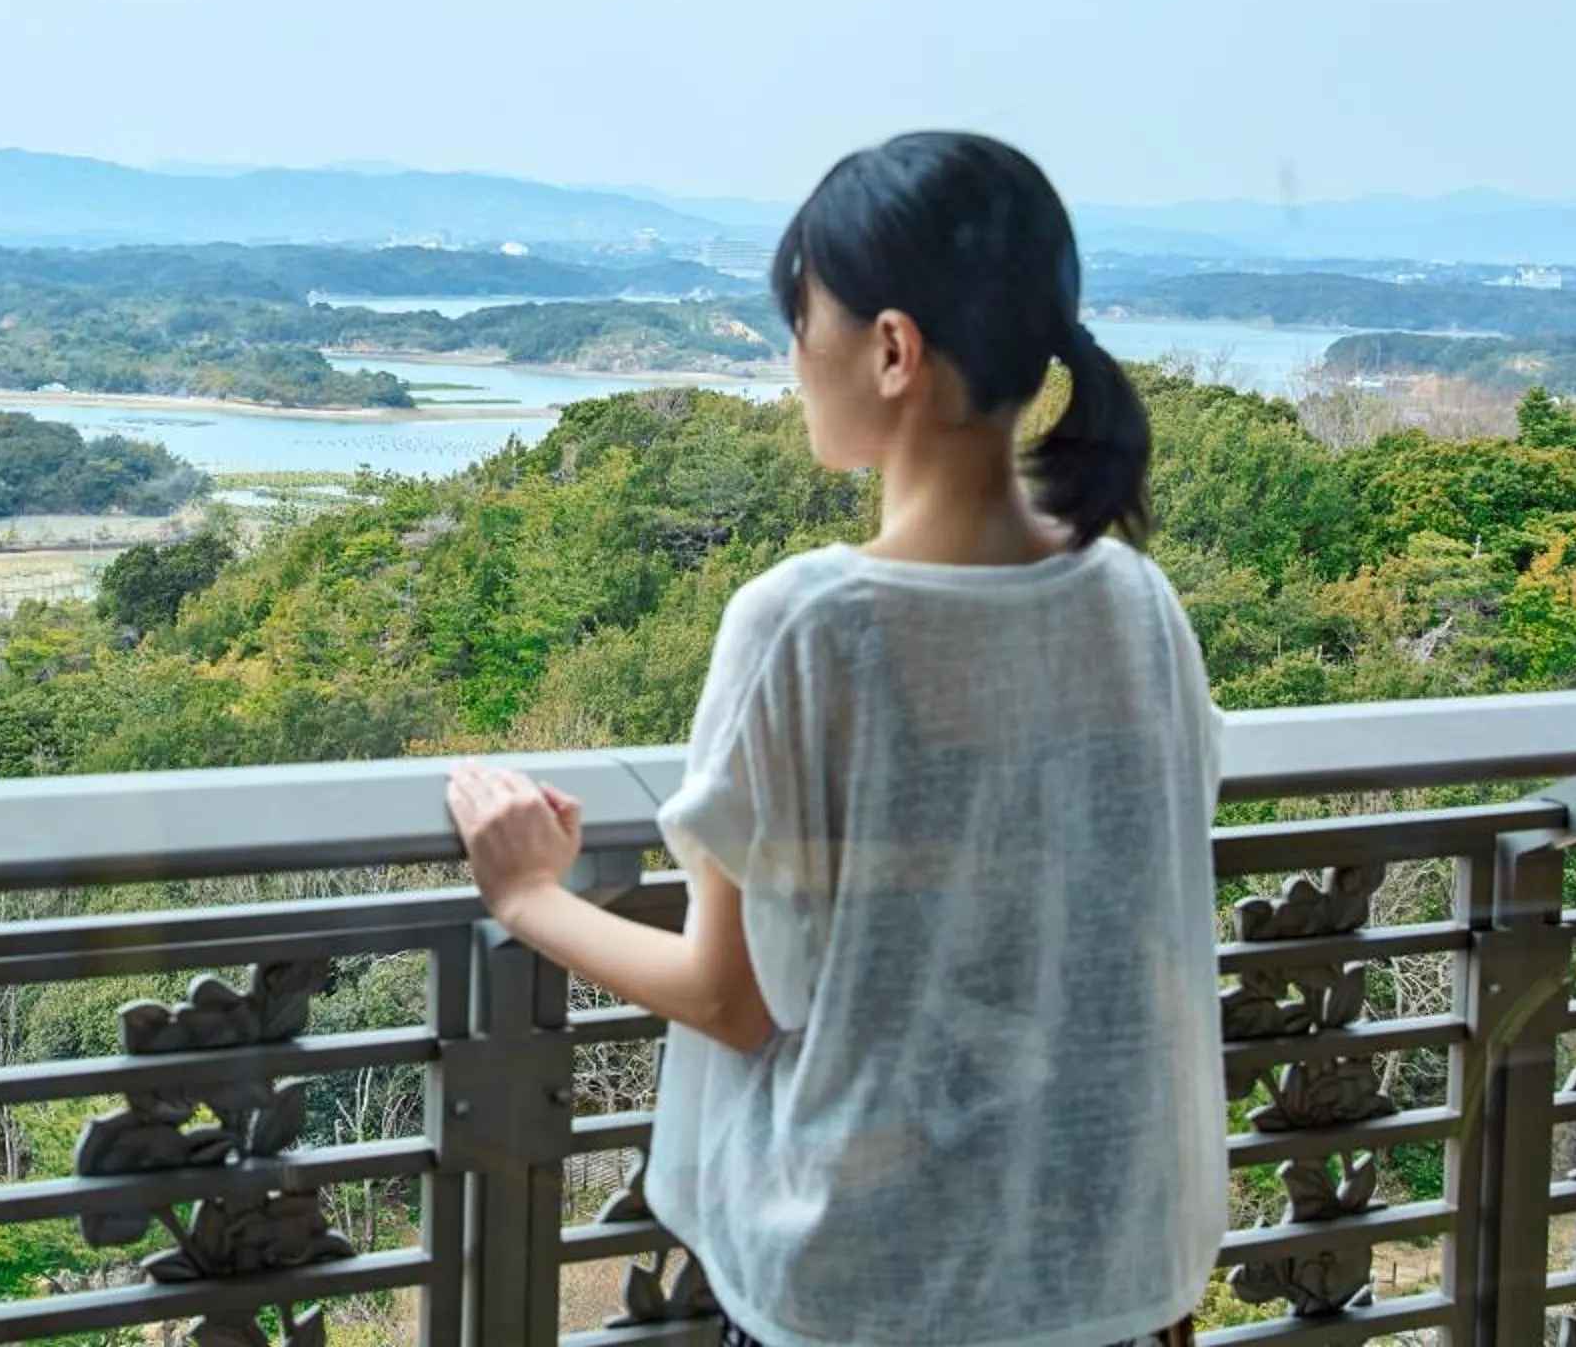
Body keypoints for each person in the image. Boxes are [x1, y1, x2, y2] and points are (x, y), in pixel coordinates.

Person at [448, 131, 1226, 1347]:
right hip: (1104, 1265)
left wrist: (529, 893)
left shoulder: (807, 622)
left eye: (802, 320)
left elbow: (735, 997)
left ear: (893, 347)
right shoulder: (1136, 602)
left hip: (877, 1278)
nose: (795, 358)